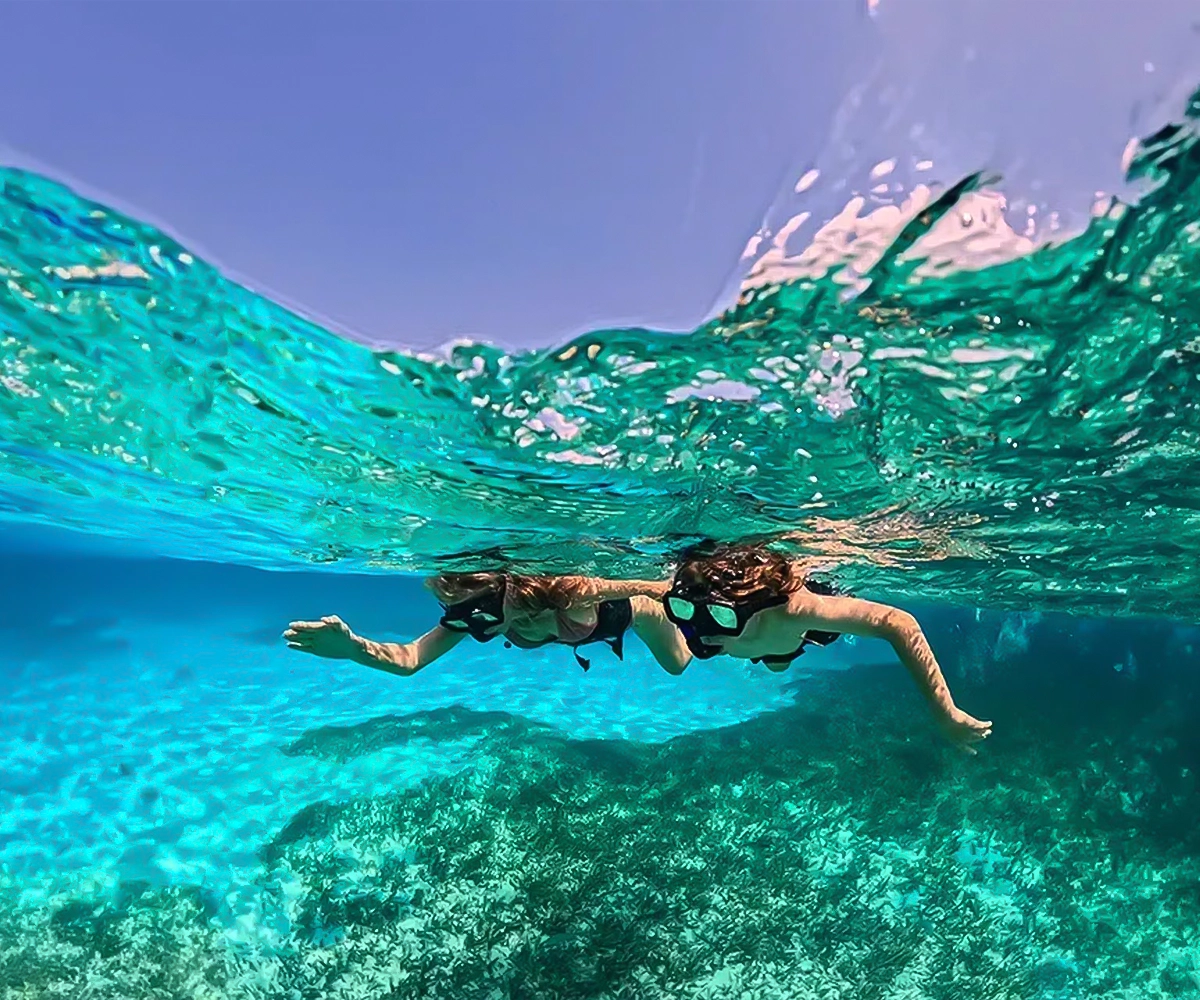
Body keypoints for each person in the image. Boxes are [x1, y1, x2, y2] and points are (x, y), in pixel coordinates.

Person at [661, 542, 992, 753]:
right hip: (768, 644)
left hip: (784, 639)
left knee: (778, 662)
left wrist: (945, 711)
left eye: (720, 616)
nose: (701, 630)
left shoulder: (793, 610)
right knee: (774, 662)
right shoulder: (696, 603)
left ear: (749, 606)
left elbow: (898, 623)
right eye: (685, 610)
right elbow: (655, 590)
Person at [283, 571, 690, 676]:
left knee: (679, 663)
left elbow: (651, 587)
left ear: (506, 596)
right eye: (458, 614)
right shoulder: (472, 615)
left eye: (480, 612)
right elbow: (411, 659)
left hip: (630, 613)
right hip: (581, 629)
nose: (474, 625)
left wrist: (682, 598)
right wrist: (354, 649)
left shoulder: (565, 590)